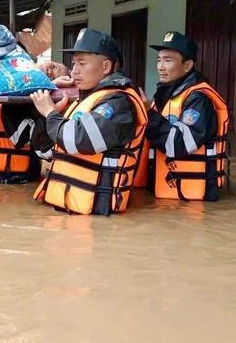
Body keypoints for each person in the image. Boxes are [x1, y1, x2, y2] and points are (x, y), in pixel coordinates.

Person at [29, 28, 148, 216]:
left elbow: (77, 140)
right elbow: (43, 151)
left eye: (82, 63)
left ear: (106, 67)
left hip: (95, 218)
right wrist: (47, 118)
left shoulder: (118, 102)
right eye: (73, 63)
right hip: (69, 212)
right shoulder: (84, 100)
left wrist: (50, 113)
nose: (74, 70)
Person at [141, 31, 230, 202]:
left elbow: (179, 144)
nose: (161, 66)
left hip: (190, 203)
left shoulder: (198, 98)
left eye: (168, 60)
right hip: (167, 196)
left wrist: (149, 114)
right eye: (159, 60)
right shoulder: (164, 93)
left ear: (188, 66)